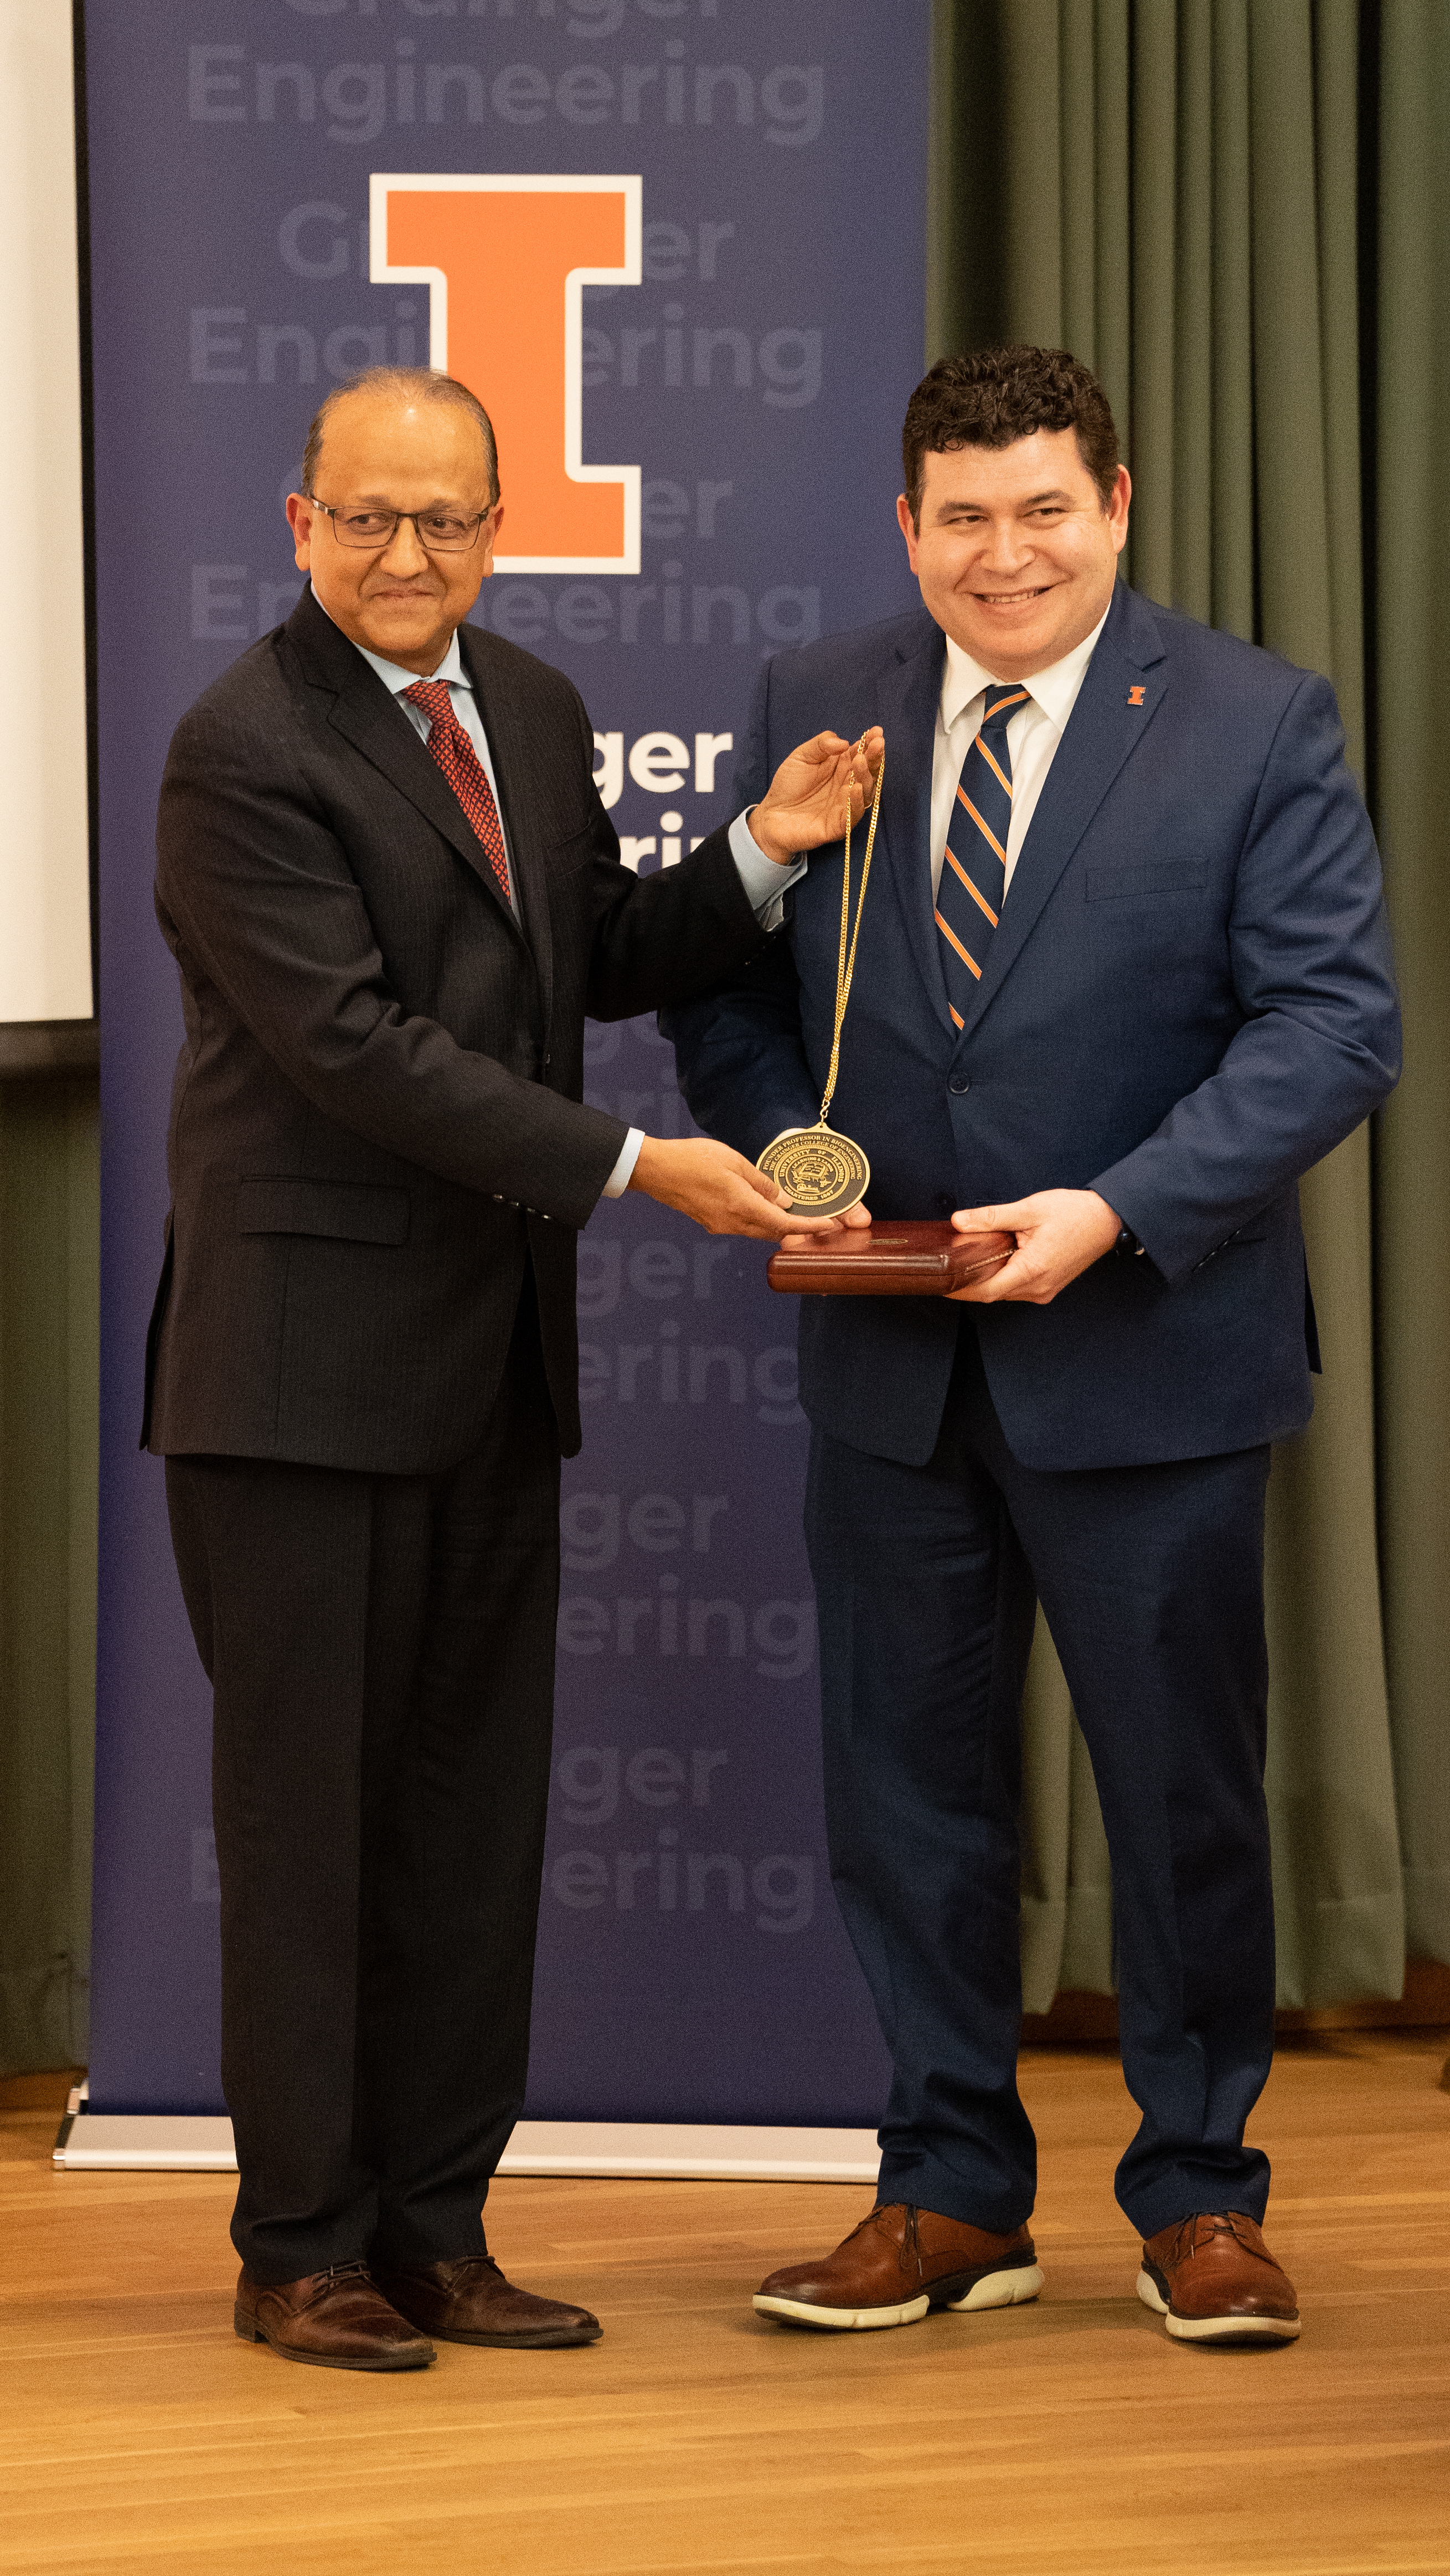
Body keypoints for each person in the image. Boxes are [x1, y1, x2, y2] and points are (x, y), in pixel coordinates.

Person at [665, 345, 1400, 2347]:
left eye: (1043, 509)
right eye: (962, 516)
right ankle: (946, 2194)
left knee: (1180, 1796)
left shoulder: (1254, 719)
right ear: (907, 530)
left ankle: (1198, 2196)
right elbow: (726, 988)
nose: (1005, 554)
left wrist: (1109, 1212)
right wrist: (776, 1156)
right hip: (891, 1376)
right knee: (903, 1793)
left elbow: (1330, 1027)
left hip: (1148, 1351)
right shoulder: (820, 703)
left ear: (1118, 506)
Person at [146, 365, 874, 2372]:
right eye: (366, 519)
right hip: (292, 1391)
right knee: (311, 1832)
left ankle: (435, 2235)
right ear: (299, 525)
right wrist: (644, 1168)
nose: (407, 556)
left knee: (466, 1829)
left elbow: (589, 956)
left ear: (499, 525)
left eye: (445, 521)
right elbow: (358, 1048)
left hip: (486, 1377)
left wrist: (765, 850)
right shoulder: (239, 749)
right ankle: (300, 2244)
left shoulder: (530, 711)